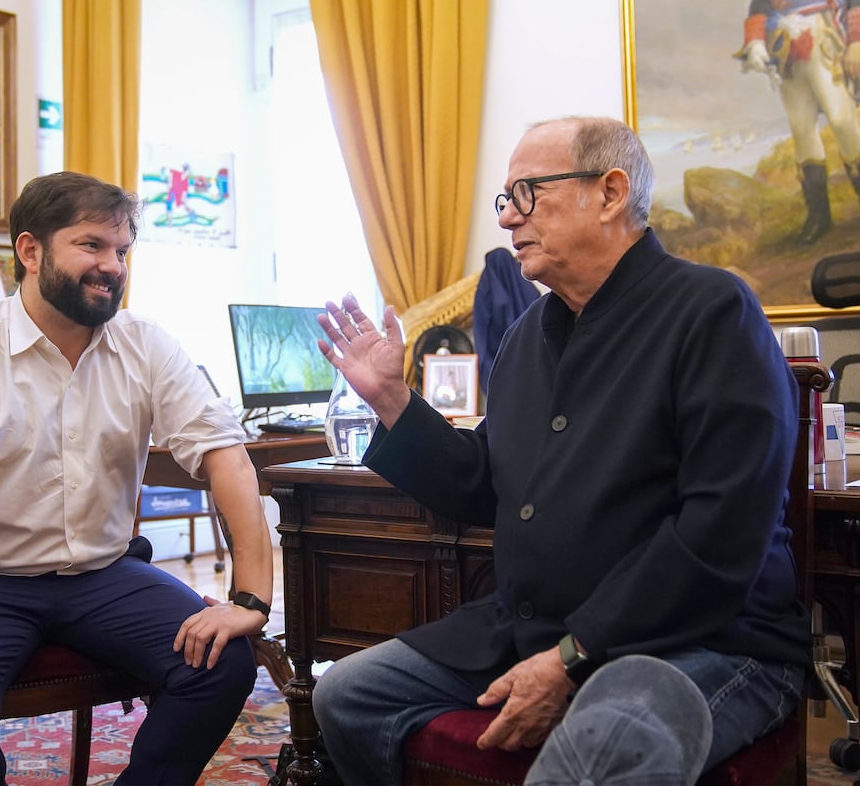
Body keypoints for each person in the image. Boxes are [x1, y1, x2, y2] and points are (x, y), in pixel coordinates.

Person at [311, 116, 810, 785]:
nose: (508, 220)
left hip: (705, 639)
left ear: (609, 194)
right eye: (504, 201)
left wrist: (573, 656)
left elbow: (718, 536)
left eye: (528, 193)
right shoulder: (525, 338)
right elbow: (484, 485)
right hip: (537, 628)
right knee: (346, 694)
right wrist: (394, 403)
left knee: (604, 744)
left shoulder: (713, 311)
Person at [0, 171, 274, 786]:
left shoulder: (147, 346)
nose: (112, 266)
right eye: (91, 245)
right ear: (30, 250)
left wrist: (249, 601)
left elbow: (228, 459)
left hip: (105, 574)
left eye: (122, 251)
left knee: (224, 662)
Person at [737, 0, 860, 244]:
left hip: (825, 36)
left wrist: (859, 42)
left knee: (842, 121)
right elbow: (760, 5)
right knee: (801, 128)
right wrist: (755, 42)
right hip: (785, 45)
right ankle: (819, 216)